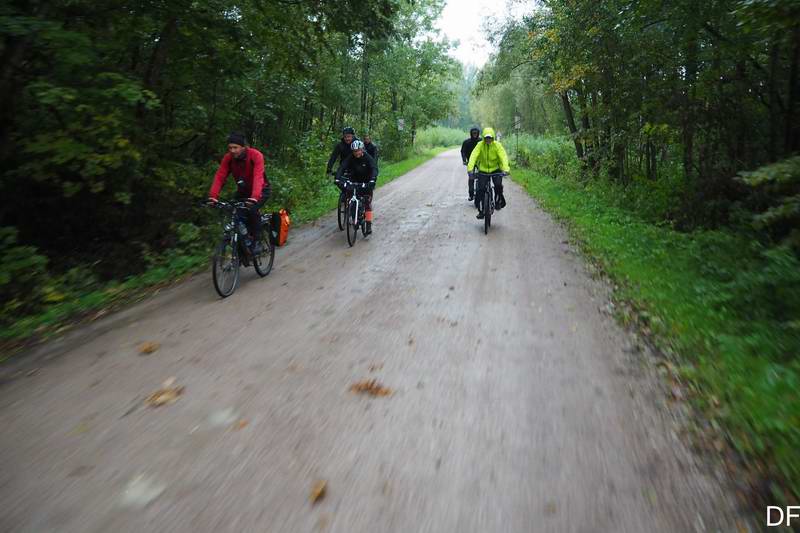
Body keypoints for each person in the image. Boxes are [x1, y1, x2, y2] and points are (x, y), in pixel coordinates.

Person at [207, 132, 271, 252]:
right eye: (230, 148)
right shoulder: (228, 158)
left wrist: (255, 197)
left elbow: (258, 177)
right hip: (243, 191)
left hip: (261, 189)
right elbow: (220, 176)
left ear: (243, 147)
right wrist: (213, 196)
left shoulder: (255, 155)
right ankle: (244, 240)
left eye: (235, 147)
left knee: (252, 210)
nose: (232, 150)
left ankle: (257, 242)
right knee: (233, 210)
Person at [335, 140, 378, 235]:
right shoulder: (351, 157)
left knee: (367, 202)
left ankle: (368, 224)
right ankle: (352, 212)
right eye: (354, 151)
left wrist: (372, 180)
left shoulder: (367, 158)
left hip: (366, 182)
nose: (356, 152)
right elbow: (342, 167)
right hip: (354, 180)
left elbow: (374, 168)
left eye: (358, 150)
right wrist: (337, 178)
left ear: (362, 149)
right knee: (350, 196)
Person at [466, 127, 510, 219]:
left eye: (490, 138)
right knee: (480, 190)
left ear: (493, 138)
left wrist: (506, 169)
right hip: (483, 170)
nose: (488, 140)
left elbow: (503, 157)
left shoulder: (497, 145)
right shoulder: (480, 145)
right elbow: (473, 156)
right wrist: (470, 169)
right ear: (484, 138)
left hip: (496, 169)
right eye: (486, 138)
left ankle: (498, 200)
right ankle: (481, 210)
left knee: (498, 186)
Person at [460, 126, 481, 201]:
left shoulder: (481, 141)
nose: (475, 134)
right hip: (470, 162)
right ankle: (471, 194)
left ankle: (483, 192)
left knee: (482, 176)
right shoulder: (466, 142)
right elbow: (463, 151)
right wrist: (464, 160)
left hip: (480, 162)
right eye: (473, 133)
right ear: (471, 133)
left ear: (478, 133)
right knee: (471, 178)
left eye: (476, 133)